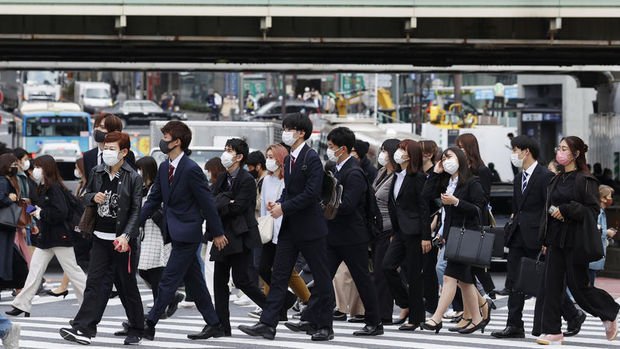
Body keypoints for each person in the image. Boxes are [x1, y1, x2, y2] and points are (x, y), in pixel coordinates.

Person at [238, 113, 335, 341]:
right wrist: (279, 203)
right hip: (290, 228)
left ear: (301, 132)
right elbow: (289, 190)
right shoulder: (290, 158)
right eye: (285, 128)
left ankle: (324, 325)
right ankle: (268, 323)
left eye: (289, 129)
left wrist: (285, 207)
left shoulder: (311, 158)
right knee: (279, 275)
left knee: (321, 277)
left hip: (311, 228)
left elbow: (312, 194)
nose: (286, 133)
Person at [140, 121, 228, 341]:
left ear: (177, 142)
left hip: (188, 233)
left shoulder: (191, 169)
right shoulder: (164, 167)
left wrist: (217, 232)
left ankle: (149, 323)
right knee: (195, 282)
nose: (162, 141)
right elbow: (153, 200)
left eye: (166, 137)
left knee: (168, 279)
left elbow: (207, 203)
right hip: (173, 231)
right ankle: (214, 323)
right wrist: (133, 224)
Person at [60, 132, 144, 346]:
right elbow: (85, 195)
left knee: (126, 286)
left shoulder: (133, 177)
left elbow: (136, 210)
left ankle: (136, 328)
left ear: (124, 152)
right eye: (105, 148)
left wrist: (126, 236)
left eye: (112, 148)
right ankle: (83, 328)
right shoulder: (97, 171)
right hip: (99, 237)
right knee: (95, 283)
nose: (106, 152)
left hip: (122, 242)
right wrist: (93, 197)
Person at [491, 136, 578, 339]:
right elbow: (516, 208)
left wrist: (547, 239)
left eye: (515, 150)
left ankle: (573, 315)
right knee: (513, 280)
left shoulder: (545, 176)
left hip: (537, 236)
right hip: (517, 236)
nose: (514, 155)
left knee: (543, 281)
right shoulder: (519, 178)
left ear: (526, 151)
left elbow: (549, 209)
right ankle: (514, 324)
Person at [536, 136, 620, 344]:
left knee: (579, 286)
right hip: (556, 239)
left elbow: (592, 210)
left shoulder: (585, 180)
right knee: (551, 285)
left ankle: (609, 312)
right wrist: (545, 238)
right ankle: (553, 330)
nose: (560, 152)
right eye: (559, 148)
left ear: (576, 154)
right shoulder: (556, 179)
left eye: (565, 149)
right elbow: (548, 209)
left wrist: (565, 210)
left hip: (576, 240)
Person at [7, 155, 87, 318]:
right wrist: (29, 208)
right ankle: (22, 304)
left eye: (38, 167)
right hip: (48, 237)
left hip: (60, 237)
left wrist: (39, 212)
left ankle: (91, 303)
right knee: (35, 271)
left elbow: (60, 212)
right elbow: (40, 212)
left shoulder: (54, 188)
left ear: (46, 169)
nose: (35, 170)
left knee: (73, 272)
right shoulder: (44, 187)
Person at [421, 147, 490, 335]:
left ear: (460, 159)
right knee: (465, 281)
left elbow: (478, 210)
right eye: (443, 158)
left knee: (450, 277)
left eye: (449, 157)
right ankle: (477, 317)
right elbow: (426, 196)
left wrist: (457, 202)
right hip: (452, 236)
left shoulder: (472, 182)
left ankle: (436, 318)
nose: (445, 161)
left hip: (467, 236)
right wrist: (435, 173)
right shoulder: (446, 182)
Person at [322, 126, 382, 336]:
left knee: (362, 278)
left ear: (343, 148)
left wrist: (325, 204)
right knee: (323, 275)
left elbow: (347, 205)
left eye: (331, 147)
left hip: (352, 235)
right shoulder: (337, 169)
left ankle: (375, 322)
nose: (328, 150)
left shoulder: (354, 172)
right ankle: (312, 318)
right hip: (335, 234)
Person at [210, 138, 266, 336]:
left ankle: (274, 308)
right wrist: (225, 200)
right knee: (219, 281)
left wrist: (222, 202)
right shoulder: (223, 178)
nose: (225, 153)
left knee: (242, 280)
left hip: (241, 236)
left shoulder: (247, 180)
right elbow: (211, 202)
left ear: (239, 157)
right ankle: (221, 326)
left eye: (229, 150)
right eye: (225, 149)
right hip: (222, 235)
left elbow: (238, 207)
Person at [255, 144, 310, 319]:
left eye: (272, 157)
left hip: (285, 230)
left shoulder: (288, 180)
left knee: (284, 272)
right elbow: (264, 207)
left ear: (280, 159)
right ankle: (285, 300)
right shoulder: (266, 180)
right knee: (263, 267)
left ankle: (285, 305)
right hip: (269, 229)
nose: (268, 160)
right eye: (267, 156)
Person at [382, 139, 431, 331]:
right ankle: (406, 303)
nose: (398, 152)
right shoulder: (396, 176)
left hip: (415, 232)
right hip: (400, 231)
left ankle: (416, 318)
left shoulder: (418, 177)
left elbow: (424, 208)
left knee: (413, 275)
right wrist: (395, 230)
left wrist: (426, 236)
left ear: (411, 155)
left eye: (403, 149)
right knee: (387, 266)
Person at [136, 157, 184, 316]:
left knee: (154, 270)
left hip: (157, 232)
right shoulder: (144, 187)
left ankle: (160, 306)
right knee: (146, 270)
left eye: (140, 169)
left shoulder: (157, 187)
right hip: (147, 231)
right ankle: (169, 298)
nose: (138, 173)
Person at [371, 139, 400, 325]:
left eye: (384, 150)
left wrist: (395, 232)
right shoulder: (381, 172)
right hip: (376, 228)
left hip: (390, 229)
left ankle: (384, 314)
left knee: (384, 272)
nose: (382, 154)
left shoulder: (398, 176)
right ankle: (378, 311)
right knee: (377, 272)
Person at [0, 154, 25, 296]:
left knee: (13, 258)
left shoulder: (13, 179)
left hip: (10, 224)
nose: (15, 167)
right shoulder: (4, 180)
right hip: (5, 224)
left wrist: (34, 214)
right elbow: (3, 199)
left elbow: (24, 202)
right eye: (13, 164)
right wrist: (9, 198)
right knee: (11, 258)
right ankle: (20, 289)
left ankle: (20, 289)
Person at [83, 113, 136, 179]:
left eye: (102, 127)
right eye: (96, 126)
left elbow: (131, 180)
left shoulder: (126, 155)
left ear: (114, 132)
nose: (97, 130)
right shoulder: (88, 156)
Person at [589, 184, 617, 285]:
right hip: (593, 253)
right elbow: (594, 230)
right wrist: (607, 232)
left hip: (595, 255)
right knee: (589, 281)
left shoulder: (601, 212)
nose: (611, 199)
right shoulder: (598, 212)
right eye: (609, 196)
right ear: (602, 198)